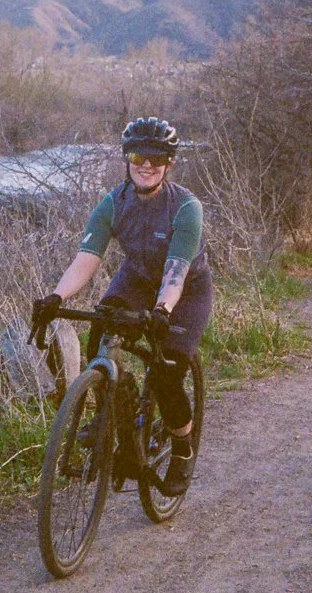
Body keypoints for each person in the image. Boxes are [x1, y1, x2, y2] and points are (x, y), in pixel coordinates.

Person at [30, 117, 212, 496]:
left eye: (156, 157)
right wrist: (56, 298)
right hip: (137, 278)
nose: (146, 164)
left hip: (185, 292)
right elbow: (87, 256)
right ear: (127, 159)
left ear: (170, 162)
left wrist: (163, 310)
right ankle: (107, 411)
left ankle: (182, 449)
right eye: (137, 156)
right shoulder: (114, 202)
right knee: (101, 325)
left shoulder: (185, 207)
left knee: (166, 375)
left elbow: (176, 272)